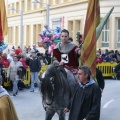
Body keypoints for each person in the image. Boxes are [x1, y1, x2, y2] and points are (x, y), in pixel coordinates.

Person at [53, 29, 80, 94]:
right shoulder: (57, 47)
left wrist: (79, 51)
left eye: (65, 36)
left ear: (68, 37)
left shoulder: (73, 46)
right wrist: (58, 63)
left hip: (72, 68)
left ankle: (74, 95)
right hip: (60, 67)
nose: (64, 38)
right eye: (62, 36)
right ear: (60, 37)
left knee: (74, 80)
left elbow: (78, 52)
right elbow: (55, 59)